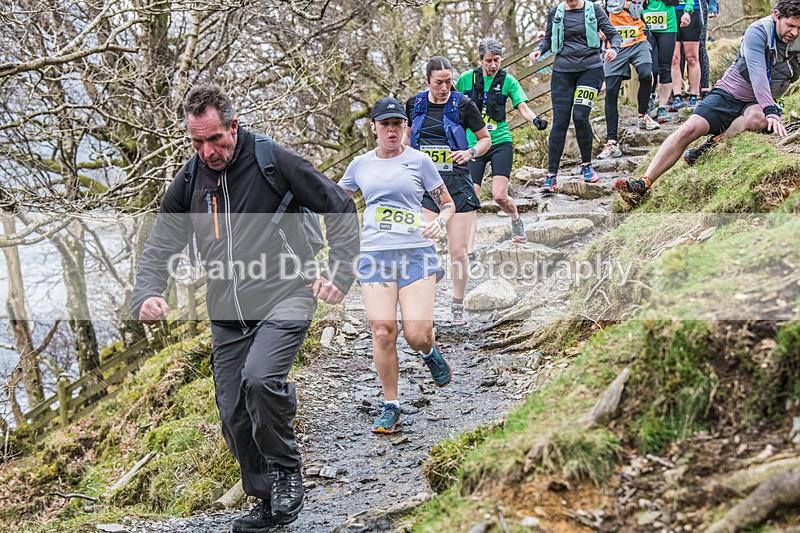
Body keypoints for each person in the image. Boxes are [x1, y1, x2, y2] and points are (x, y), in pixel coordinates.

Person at [132, 84, 360, 532]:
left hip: (287, 295)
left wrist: (339, 273)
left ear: (233, 126)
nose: (207, 150)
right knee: (234, 411)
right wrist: (147, 292)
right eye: (197, 141)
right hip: (226, 314)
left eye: (214, 138)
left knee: (260, 379)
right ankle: (264, 498)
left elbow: (340, 205)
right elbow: (160, 243)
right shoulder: (189, 180)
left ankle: (286, 468)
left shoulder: (272, 160)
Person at [340, 98, 455, 434]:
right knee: (382, 331)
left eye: (398, 124)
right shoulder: (359, 165)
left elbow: (446, 203)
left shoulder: (419, 162)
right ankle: (391, 405)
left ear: (405, 127)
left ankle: (429, 350)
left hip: (416, 254)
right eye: (385, 124)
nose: (392, 130)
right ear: (374, 127)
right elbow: (334, 198)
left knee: (416, 334)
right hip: (375, 255)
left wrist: (441, 222)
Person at [615, 0, 800, 208]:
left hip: (757, 103)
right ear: (776, 16)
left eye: (799, 28)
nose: (794, 32)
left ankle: (710, 145)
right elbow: (758, 75)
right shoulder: (758, 31)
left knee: (758, 119)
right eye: (790, 26)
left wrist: (769, 111)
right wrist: (772, 112)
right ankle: (643, 183)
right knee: (690, 128)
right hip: (728, 93)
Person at [403, 56, 491, 326]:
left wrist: (469, 152)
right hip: (425, 185)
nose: (445, 87)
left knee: (458, 252)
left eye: (449, 81)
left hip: (456, 182)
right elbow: (407, 138)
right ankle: (423, 306)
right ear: (427, 81)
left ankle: (457, 305)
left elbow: (485, 139)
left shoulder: (463, 104)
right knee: (423, 242)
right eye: (439, 82)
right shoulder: (414, 104)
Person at [456, 37, 548, 246]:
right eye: (488, 60)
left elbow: (522, 106)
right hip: (474, 145)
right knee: (472, 197)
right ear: (481, 60)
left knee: (499, 195)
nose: (493, 65)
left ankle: (516, 221)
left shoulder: (508, 80)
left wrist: (535, 119)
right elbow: (452, 104)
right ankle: (468, 248)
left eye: (497, 60)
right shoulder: (466, 79)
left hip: (500, 142)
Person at [530, 0, 622, 192]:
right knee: (560, 122)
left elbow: (614, 34)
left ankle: (587, 166)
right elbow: (548, 38)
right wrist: (539, 49)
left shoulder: (593, 9)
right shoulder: (556, 11)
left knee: (580, 116)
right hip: (562, 73)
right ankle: (551, 177)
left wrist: (614, 49)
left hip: (590, 71)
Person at [598, 0, 660, 160]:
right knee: (611, 90)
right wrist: (598, 27)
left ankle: (643, 115)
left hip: (638, 41)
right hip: (615, 46)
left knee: (647, 74)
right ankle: (611, 142)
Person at [643, 0, 679, 123]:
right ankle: (647, 103)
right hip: (645, 25)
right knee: (647, 68)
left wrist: (688, 11)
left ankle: (662, 108)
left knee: (665, 67)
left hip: (668, 26)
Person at [669, 0, 703, 110]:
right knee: (674, 58)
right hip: (670, 11)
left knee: (692, 58)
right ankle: (677, 96)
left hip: (692, 11)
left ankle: (694, 95)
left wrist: (688, 11)